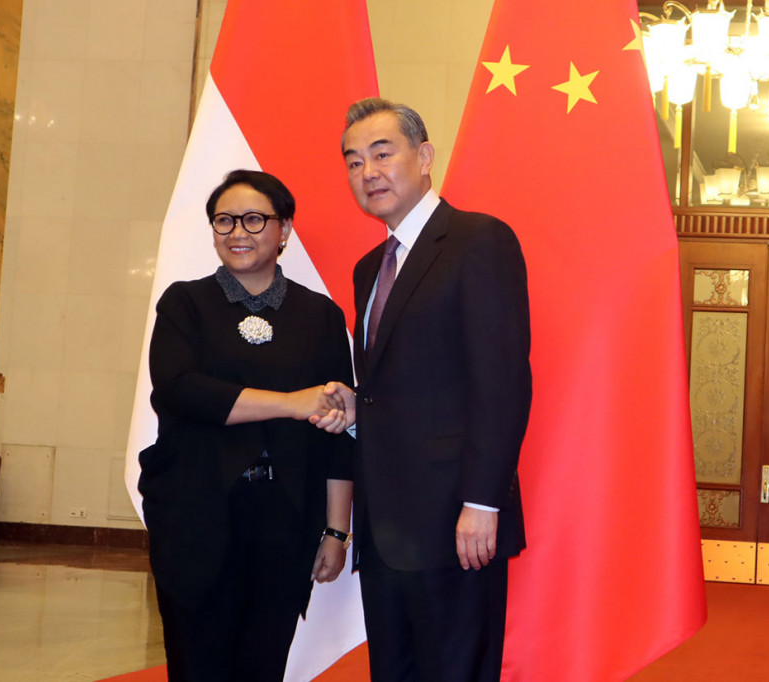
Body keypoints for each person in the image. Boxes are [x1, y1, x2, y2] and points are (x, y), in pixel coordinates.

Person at [318, 98, 532, 682]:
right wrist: (357, 405)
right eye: (354, 162)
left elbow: (502, 381)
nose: (368, 172)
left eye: (382, 154)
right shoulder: (369, 268)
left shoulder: (478, 240)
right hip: (385, 525)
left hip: (454, 521)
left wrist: (482, 502)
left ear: (425, 156)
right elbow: (402, 382)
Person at [138, 169, 355, 682]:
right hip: (195, 513)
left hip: (285, 517)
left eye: (254, 219)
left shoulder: (320, 315)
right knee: (196, 662)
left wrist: (336, 529)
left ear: (284, 230)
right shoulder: (184, 303)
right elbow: (180, 391)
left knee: (264, 663)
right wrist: (291, 403)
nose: (238, 232)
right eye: (225, 220)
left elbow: (338, 432)